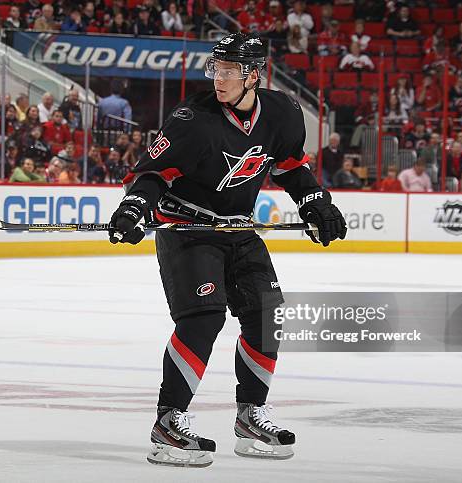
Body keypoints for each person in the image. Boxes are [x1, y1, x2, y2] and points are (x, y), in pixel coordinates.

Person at [106, 33, 346, 467]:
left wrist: (316, 202)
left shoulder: (284, 112)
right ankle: (168, 422)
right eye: (215, 69)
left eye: (229, 70)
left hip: (238, 230)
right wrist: (134, 207)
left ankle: (250, 416)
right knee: (203, 318)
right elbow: (153, 173)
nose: (218, 78)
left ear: (254, 75)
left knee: (266, 314)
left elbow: (291, 166)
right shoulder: (191, 118)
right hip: (188, 229)